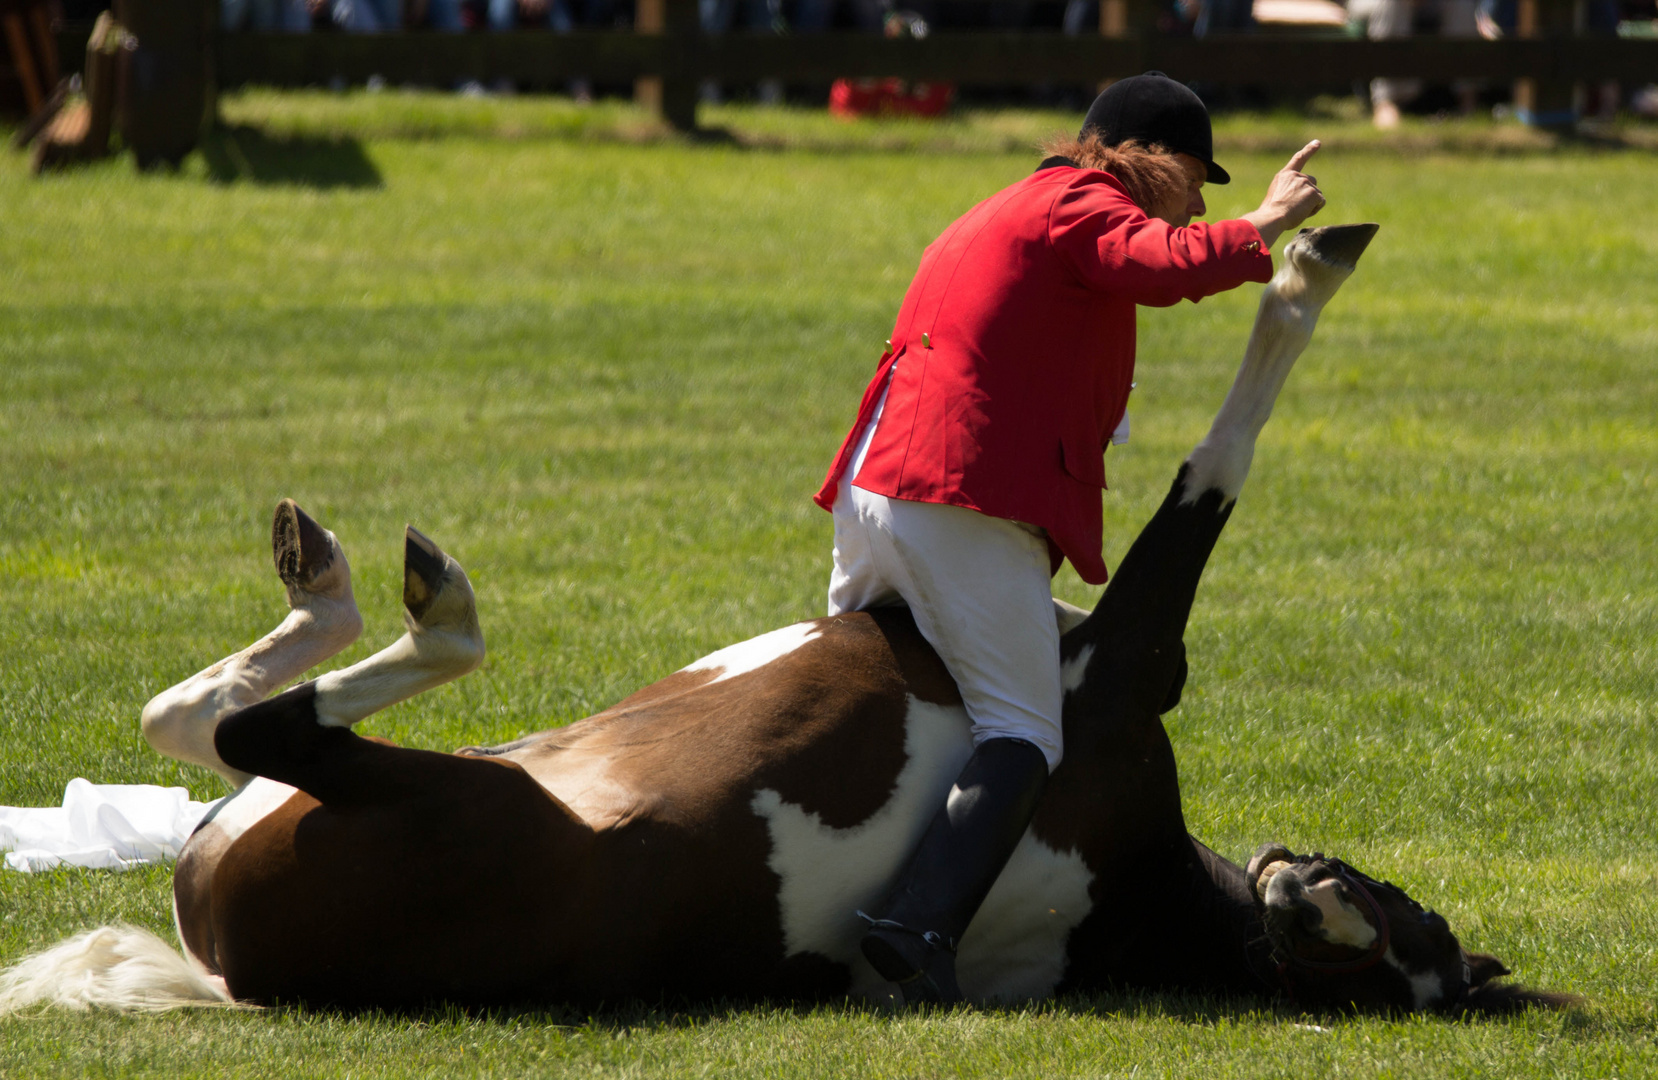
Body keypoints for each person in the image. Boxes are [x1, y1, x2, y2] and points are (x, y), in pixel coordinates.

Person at [812, 71, 1327, 1004]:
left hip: (880, 486)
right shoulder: (1080, 203)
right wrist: (1263, 220)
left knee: (898, 687)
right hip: (954, 499)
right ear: (1154, 159)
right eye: (1197, 177)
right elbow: (1167, 265)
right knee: (1023, 728)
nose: (1197, 198)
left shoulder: (1014, 202)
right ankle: (912, 930)